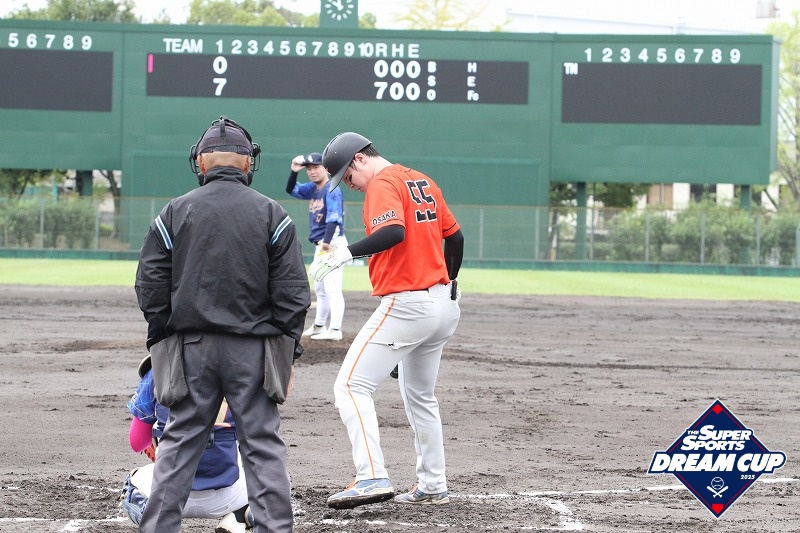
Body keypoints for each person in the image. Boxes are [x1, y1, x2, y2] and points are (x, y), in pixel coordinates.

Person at [134, 115, 310, 533]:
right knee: (263, 447)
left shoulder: (174, 212)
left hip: (191, 348)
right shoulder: (273, 213)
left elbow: (149, 285)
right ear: (249, 163)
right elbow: (293, 294)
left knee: (178, 446)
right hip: (254, 351)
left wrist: (165, 340)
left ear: (200, 162)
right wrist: (285, 354)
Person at [309, 132, 464, 509]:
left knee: (350, 387)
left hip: (408, 306)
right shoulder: (421, 180)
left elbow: (393, 232)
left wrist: (344, 253)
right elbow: (456, 239)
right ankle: (433, 484)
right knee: (421, 397)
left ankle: (371, 476)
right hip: (443, 306)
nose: (350, 184)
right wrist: (449, 281)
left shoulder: (382, 183)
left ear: (360, 158)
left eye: (348, 176)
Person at [121, 355, 253, 533]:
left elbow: (137, 442)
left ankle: (158, 524)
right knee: (271, 478)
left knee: (133, 483)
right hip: (228, 496)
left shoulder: (157, 372)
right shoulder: (239, 371)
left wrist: (158, 439)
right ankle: (238, 519)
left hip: (166, 496)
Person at [286, 152, 348, 341]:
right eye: (309, 168)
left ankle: (335, 329)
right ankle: (320, 326)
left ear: (326, 169)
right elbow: (291, 190)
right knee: (320, 288)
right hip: (322, 245)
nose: (312, 171)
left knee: (332, 287)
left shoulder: (332, 189)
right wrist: (294, 171)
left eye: (316, 167)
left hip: (331, 244)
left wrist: (327, 244)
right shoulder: (313, 189)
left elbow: (334, 218)